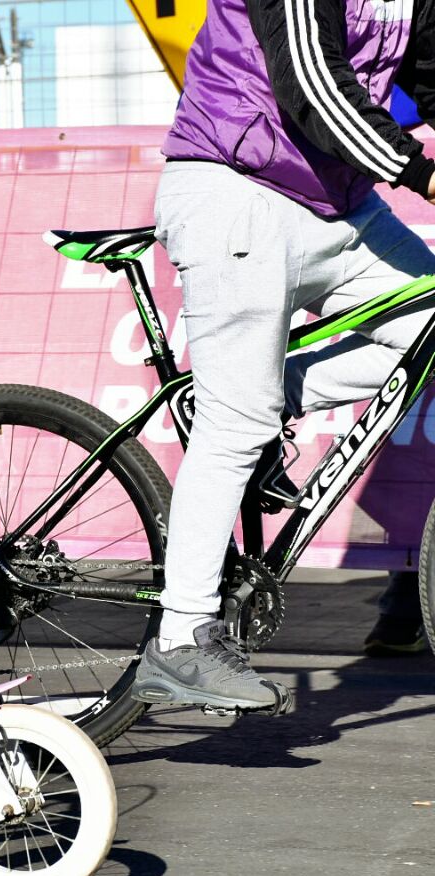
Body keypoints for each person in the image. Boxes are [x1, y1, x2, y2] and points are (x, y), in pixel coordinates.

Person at [131, 0, 435, 712]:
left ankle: (268, 392)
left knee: (258, 397)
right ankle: (179, 641)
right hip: (233, 189)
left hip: (341, 209)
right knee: (237, 424)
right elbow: (313, 86)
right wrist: (422, 173)